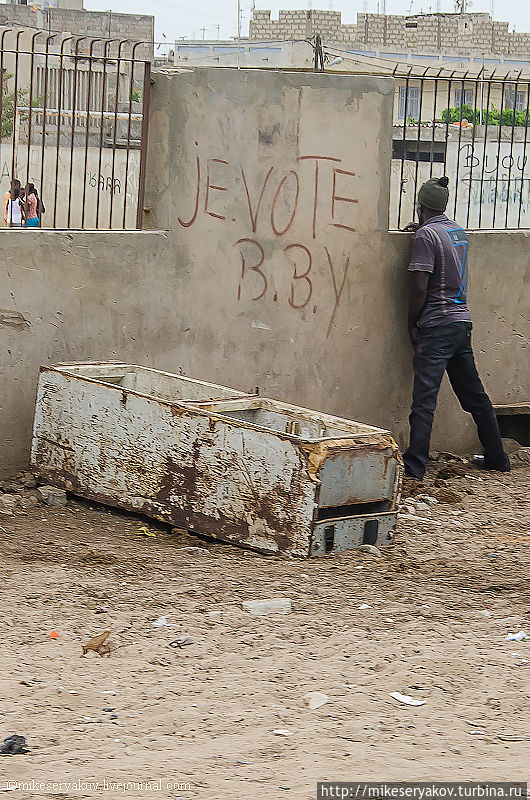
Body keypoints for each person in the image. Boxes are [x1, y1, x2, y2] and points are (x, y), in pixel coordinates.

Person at [402, 175, 510, 484]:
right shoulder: (456, 232)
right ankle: (497, 456)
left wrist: (412, 322)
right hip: (461, 323)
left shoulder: (425, 237)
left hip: (436, 325)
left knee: (424, 400)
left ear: (420, 206)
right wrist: (422, 228)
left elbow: (420, 286)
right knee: (474, 395)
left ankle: (414, 468)